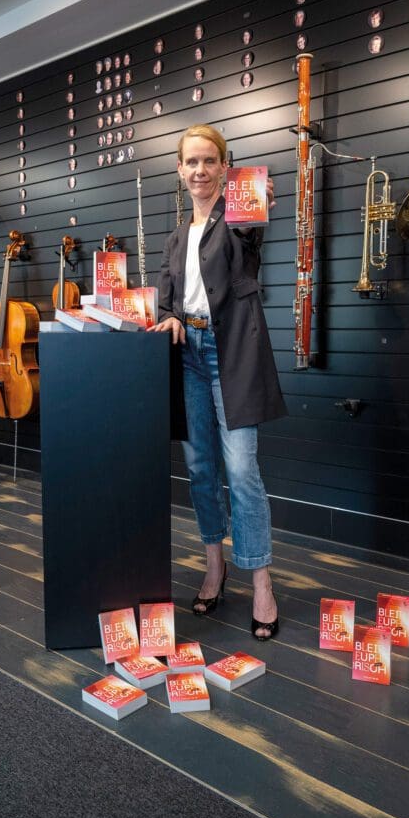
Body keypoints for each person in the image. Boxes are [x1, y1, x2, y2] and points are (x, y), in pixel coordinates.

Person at [150, 124, 287, 640]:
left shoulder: (238, 218)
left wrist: (256, 205)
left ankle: (261, 582)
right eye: (192, 162)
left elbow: (247, 240)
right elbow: (166, 301)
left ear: (225, 169)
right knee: (201, 468)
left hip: (234, 357)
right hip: (189, 356)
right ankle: (214, 565)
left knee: (242, 469)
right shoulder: (172, 239)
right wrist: (170, 318)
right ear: (180, 171)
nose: (200, 170)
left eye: (210, 161)